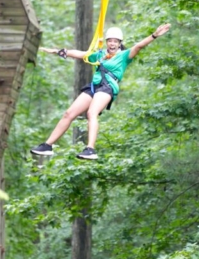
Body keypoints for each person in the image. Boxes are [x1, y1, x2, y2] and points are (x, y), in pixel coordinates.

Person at [30, 23, 171, 160]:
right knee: (69, 113)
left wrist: (154, 35)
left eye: (115, 41)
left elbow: (139, 46)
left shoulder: (124, 56)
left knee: (91, 113)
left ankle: (90, 149)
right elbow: (82, 54)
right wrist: (60, 51)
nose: (112, 44)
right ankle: (48, 146)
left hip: (107, 87)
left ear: (120, 43)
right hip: (94, 86)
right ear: (106, 42)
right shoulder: (100, 55)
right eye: (110, 41)